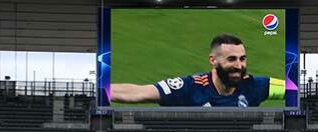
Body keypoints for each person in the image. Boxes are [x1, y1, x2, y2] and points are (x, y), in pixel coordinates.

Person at [111, 34, 285, 107]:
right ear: (213, 60)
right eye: (231, 59)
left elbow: (292, 89)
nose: (239, 66)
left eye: (242, 58)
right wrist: (100, 91)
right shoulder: (191, 87)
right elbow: (139, 92)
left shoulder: (255, 85)